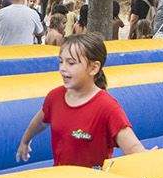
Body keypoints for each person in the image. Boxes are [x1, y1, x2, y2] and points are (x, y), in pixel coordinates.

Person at [15, 34, 145, 168]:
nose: (62, 68)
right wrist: (25, 140)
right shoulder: (55, 97)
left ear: (93, 68)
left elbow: (132, 146)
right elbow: (40, 121)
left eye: (71, 63)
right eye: (61, 61)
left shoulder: (107, 107)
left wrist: (145, 159)